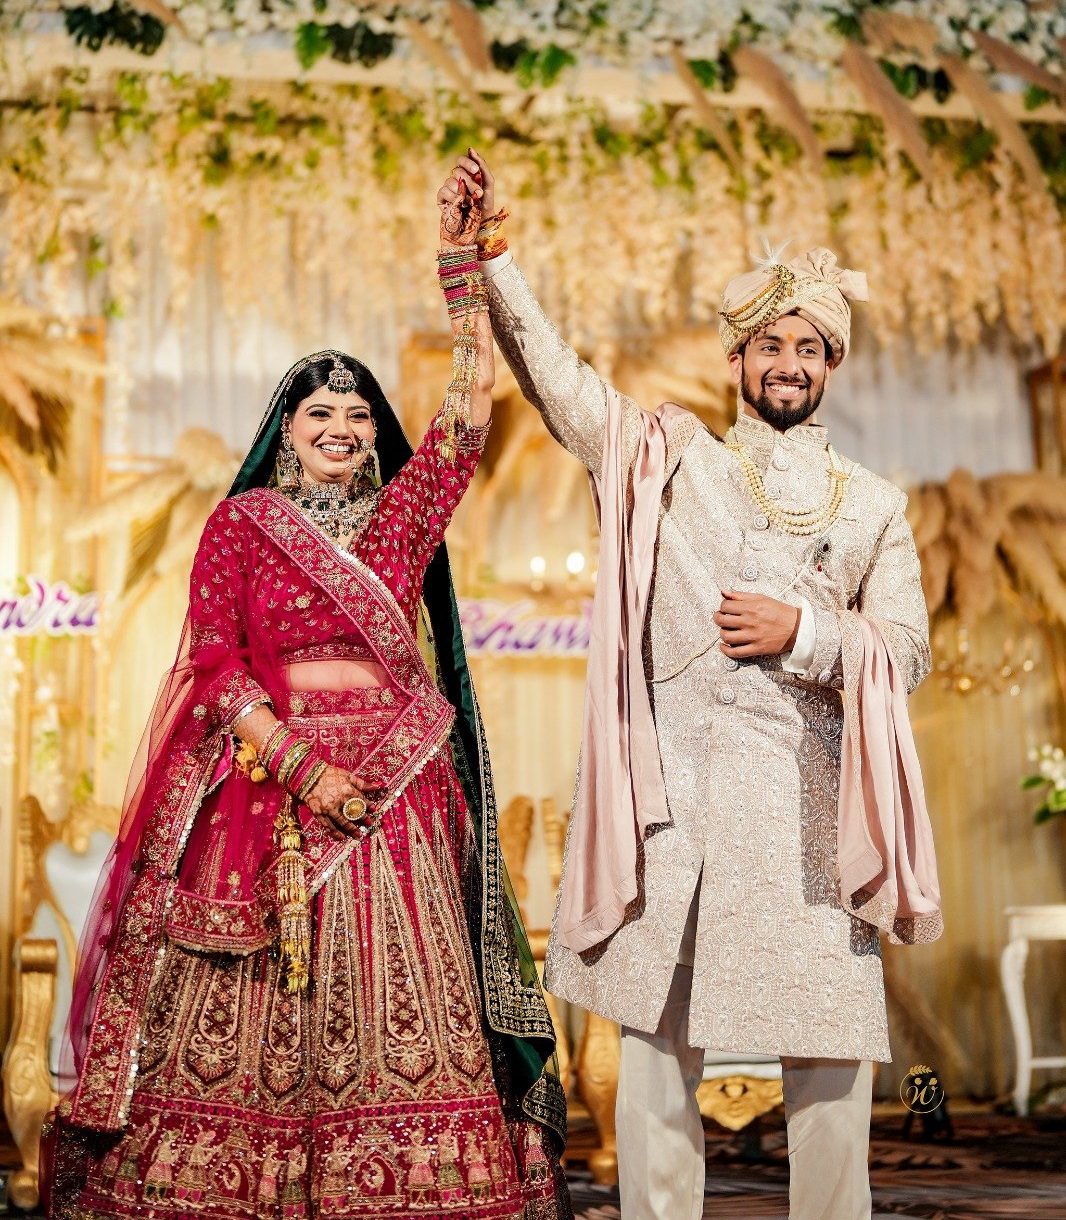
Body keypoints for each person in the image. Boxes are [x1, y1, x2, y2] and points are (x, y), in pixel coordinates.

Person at [43, 173, 570, 1220]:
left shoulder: (401, 520)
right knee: (250, 997)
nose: (341, 425)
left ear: (374, 434)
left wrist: (460, 271)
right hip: (269, 790)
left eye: (357, 413)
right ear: (285, 429)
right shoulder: (240, 525)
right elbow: (215, 662)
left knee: (407, 990)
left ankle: (413, 1181)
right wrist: (300, 765)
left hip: (396, 799)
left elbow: (470, 413)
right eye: (319, 411)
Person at [438, 152, 942, 1220]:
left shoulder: (872, 506)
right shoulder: (673, 463)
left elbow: (904, 652)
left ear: (830, 364)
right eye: (771, 345)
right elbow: (562, 384)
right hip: (678, 818)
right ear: (738, 356)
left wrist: (807, 632)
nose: (789, 364)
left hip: (810, 826)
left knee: (829, 1077)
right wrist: (497, 262)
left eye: (809, 347)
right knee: (656, 1073)